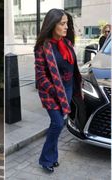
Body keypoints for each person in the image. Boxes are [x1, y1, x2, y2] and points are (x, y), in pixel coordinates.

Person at [34, 8, 82, 173]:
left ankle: (52, 158)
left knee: (58, 124)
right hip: (51, 92)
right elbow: (40, 77)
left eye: (67, 23)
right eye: (62, 24)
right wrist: (56, 92)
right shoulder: (42, 48)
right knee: (57, 123)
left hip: (67, 89)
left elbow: (74, 68)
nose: (66, 27)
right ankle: (45, 159)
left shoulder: (67, 44)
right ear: (52, 25)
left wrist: (76, 87)